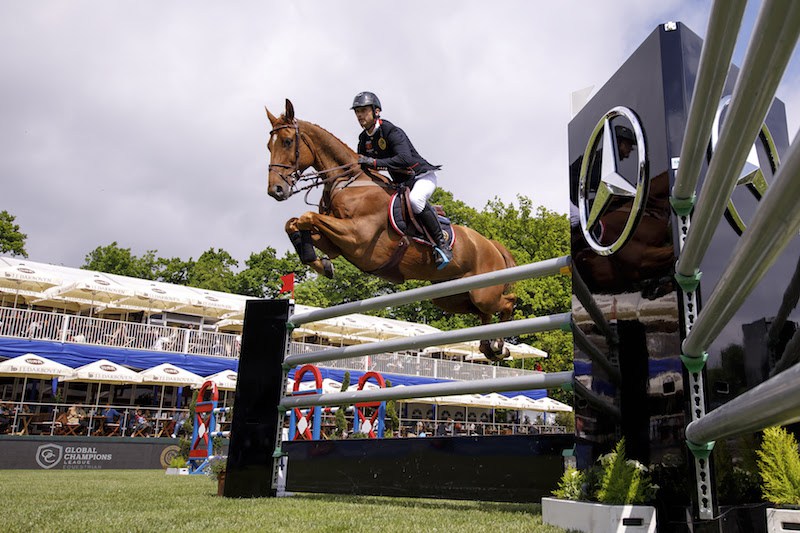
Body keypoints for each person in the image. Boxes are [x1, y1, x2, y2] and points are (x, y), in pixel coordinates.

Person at [351, 91, 453, 269]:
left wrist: (374, 162)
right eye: (357, 112)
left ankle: (441, 244)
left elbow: (405, 159)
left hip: (421, 176)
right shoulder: (363, 139)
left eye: (364, 110)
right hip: (401, 183)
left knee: (416, 200)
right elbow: (363, 167)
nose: (360, 115)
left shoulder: (390, 130)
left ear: (376, 111)